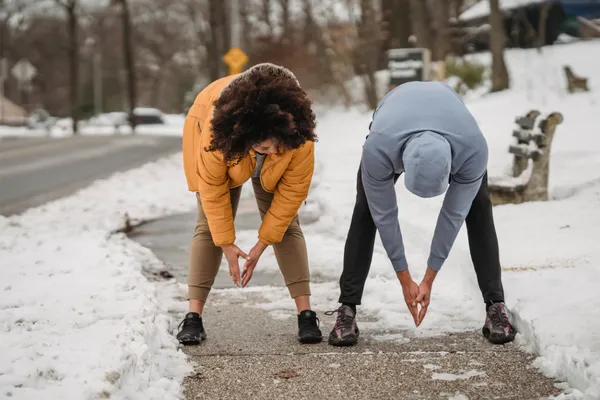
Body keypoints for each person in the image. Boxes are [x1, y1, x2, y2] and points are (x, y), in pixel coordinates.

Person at [327, 81, 516, 347]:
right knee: (367, 211)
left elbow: (453, 216)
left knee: (479, 207)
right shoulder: (379, 149)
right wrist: (406, 279)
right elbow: (386, 216)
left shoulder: (473, 149)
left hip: (451, 115)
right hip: (394, 109)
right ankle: (346, 310)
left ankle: (496, 306)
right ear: (401, 163)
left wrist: (428, 278)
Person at [177, 63, 322, 345]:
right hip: (214, 129)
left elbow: (290, 196)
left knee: (287, 225)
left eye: (279, 146)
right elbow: (213, 193)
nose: (274, 153)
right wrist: (227, 244)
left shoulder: (298, 138)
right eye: (266, 148)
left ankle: (306, 313)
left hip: (258, 141)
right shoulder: (216, 135)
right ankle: (193, 316)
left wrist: (261, 244)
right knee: (208, 225)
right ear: (247, 140)